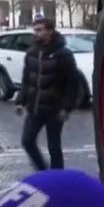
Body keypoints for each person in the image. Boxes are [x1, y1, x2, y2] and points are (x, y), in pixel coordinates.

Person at [14, 17, 81, 171]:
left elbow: (72, 83)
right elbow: (26, 80)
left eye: (40, 30)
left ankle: (58, 178)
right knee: (27, 141)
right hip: (34, 107)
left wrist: (66, 108)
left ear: (50, 31)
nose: (36, 33)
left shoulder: (63, 54)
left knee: (54, 146)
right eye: (35, 30)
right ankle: (43, 170)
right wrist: (20, 101)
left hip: (54, 109)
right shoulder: (31, 53)